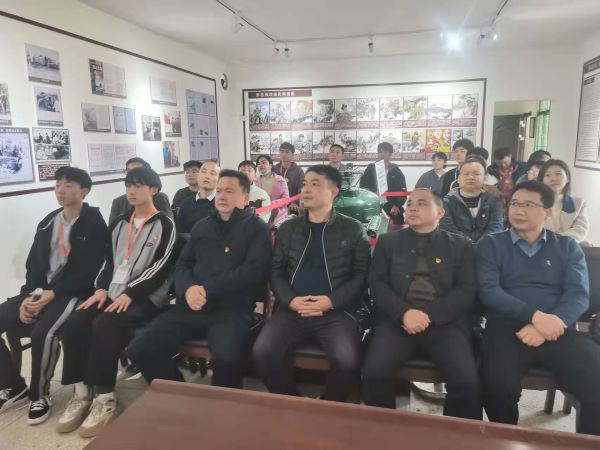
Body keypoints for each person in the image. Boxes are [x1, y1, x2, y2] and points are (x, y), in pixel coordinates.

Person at [57, 167, 177, 437]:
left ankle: (105, 397)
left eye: (138, 186)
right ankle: (81, 392)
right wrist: (101, 289)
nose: (131, 191)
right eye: (128, 186)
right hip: (113, 292)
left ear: (154, 190)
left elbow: (160, 268)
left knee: (105, 324)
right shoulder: (120, 224)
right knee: (76, 321)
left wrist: (131, 293)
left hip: (144, 298)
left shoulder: (165, 225)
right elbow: (108, 262)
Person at [128, 170, 271, 390]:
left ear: (245, 198)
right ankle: (180, 397)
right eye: (219, 191)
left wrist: (205, 288)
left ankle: (223, 407)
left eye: (229, 191)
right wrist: (188, 289)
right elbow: (182, 265)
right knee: (140, 348)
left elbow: (252, 271)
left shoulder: (257, 228)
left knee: (226, 361)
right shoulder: (203, 226)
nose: (222, 196)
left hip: (231, 310)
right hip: (192, 305)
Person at [477, 180, 600, 436]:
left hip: (559, 330)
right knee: (496, 385)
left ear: (547, 212)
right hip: (506, 330)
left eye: (528, 205)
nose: (518, 210)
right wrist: (534, 317)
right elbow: (489, 291)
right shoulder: (491, 244)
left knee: (595, 381)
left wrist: (551, 323)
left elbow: (579, 295)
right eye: (514, 204)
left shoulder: (567, 247)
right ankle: (506, 440)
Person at [253, 165, 371, 402]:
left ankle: (327, 406)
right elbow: (276, 271)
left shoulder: (352, 229)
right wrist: (291, 301)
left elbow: (361, 276)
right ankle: (294, 403)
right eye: (305, 184)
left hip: (336, 312)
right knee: (262, 352)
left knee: (346, 361)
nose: (305, 189)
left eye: (315, 184)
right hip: (293, 309)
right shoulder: (289, 228)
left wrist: (331, 301)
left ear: (333, 192)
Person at [0, 167, 108, 425]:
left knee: (44, 334)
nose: (61, 190)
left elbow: (90, 271)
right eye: (58, 185)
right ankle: (13, 386)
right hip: (41, 291)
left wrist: (54, 293)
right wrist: (29, 296)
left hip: (73, 294)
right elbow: (34, 266)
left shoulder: (94, 223)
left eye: (68, 185)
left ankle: (39, 395)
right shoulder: (48, 221)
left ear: (84, 191)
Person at [363, 188, 481, 419]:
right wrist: (405, 313)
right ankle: (383, 431)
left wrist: (429, 315)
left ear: (440, 213)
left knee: (466, 382)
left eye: (422, 203)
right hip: (397, 321)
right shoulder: (388, 242)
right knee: (374, 373)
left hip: (444, 324)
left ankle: (452, 434)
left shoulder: (461, 245)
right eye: (410, 204)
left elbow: (466, 290)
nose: (413, 208)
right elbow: (377, 284)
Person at [440, 156, 504, 242]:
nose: (470, 177)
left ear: (484, 179)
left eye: (476, 174)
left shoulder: (494, 201)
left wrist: (481, 245)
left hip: (487, 247)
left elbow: (496, 228)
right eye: (466, 174)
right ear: (458, 179)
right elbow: (448, 230)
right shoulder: (447, 203)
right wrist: (469, 245)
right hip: (457, 248)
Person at [538, 159, 589, 243]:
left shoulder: (578, 203)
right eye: (547, 175)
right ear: (542, 180)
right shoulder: (534, 202)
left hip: (568, 244)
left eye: (558, 174)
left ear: (567, 178)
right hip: (541, 244)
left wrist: (557, 240)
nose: (553, 179)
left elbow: (580, 230)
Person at [109, 157, 172, 224]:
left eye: (137, 170)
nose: (132, 174)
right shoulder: (118, 202)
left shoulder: (161, 198)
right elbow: (112, 227)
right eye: (128, 171)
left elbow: (169, 222)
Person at [360, 142, 407, 225]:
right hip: (373, 203)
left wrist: (397, 205)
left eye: (385, 152)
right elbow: (363, 188)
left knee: (396, 222)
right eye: (380, 152)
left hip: (391, 204)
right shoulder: (370, 168)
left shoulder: (395, 170)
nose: (382, 154)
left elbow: (402, 189)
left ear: (390, 154)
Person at [176, 160, 218, 234]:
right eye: (203, 172)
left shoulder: (223, 202)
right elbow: (179, 232)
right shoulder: (185, 203)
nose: (207, 176)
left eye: (212, 173)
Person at [255, 154, 290, 227]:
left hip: (278, 213)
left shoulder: (281, 180)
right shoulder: (255, 181)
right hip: (261, 212)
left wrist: (272, 203)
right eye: (258, 164)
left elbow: (286, 199)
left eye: (263, 162)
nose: (260, 165)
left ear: (270, 165)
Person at [273, 142, 304, 214]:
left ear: (292, 155)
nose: (284, 154)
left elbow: (302, 190)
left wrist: (295, 202)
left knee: (293, 211)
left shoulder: (298, 171)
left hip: (291, 204)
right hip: (275, 203)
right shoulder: (274, 169)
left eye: (287, 152)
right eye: (282, 151)